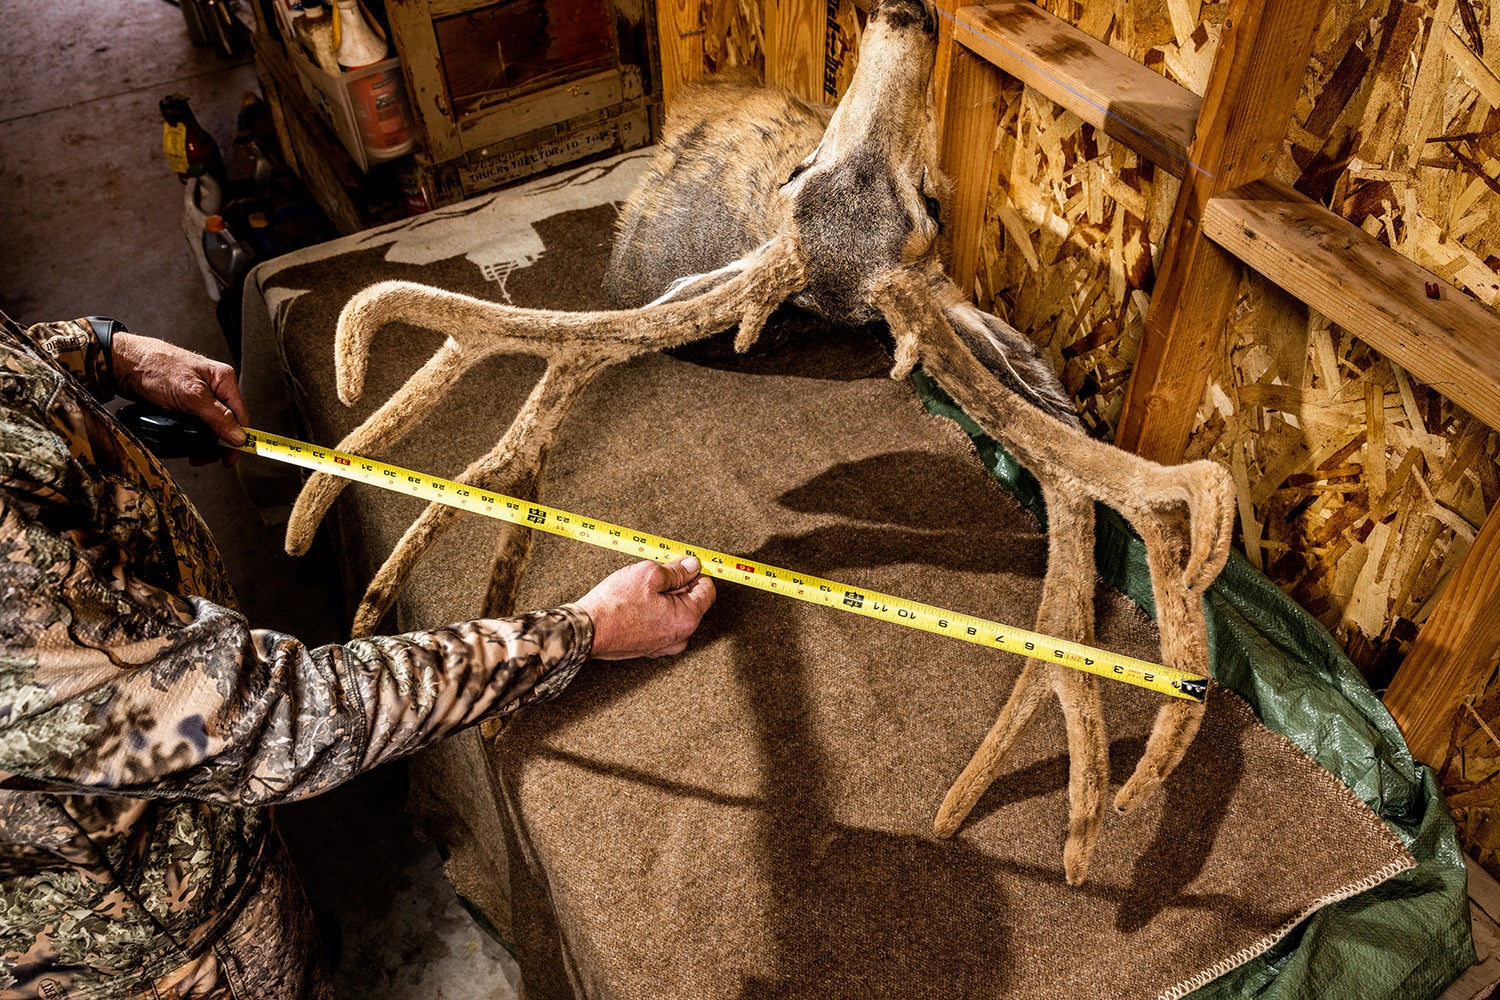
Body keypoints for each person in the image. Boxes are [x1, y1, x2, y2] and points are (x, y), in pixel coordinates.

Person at [0, 311, 717, 998]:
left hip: (198, 827)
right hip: (148, 945)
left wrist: (100, 352)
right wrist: (582, 631)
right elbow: (269, 719)